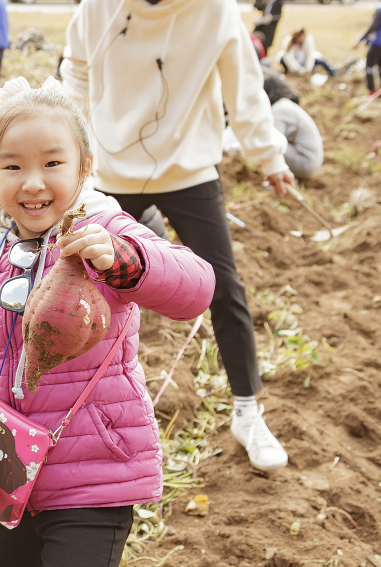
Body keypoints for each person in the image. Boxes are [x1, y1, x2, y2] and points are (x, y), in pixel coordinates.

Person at [0, 78, 215, 567]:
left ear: (84, 166)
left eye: (52, 163)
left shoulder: (106, 236)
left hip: (91, 472)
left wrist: (125, 262)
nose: (33, 182)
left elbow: (196, 287)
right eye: (13, 166)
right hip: (5, 467)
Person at [62, 0, 294, 472]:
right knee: (82, 290)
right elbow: (76, 72)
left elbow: (245, 91)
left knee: (224, 287)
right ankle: (79, 418)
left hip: (188, 171)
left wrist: (269, 158)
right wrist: (74, 155)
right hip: (108, 170)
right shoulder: (99, 8)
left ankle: (248, 412)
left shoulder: (215, 11)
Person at [272, 98, 323, 180]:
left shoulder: (278, 110)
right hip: (313, 162)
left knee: (268, 142)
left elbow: (273, 143)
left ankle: (281, 177)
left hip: (305, 163)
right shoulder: (285, 104)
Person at [356, 5, 381, 93]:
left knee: (369, 67)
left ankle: (372, 90)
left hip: (377, 44)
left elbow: (373, 27)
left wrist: (361, 39)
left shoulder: (379, 10)